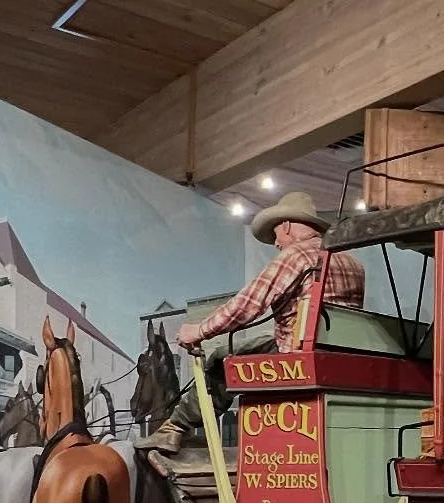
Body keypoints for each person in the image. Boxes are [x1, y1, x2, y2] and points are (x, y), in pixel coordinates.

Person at [137, 191, 365, 456]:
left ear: (287, 225)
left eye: (276, 235)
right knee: (261, 341)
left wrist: (199, 330)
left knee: (222, 359)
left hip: (296, 354)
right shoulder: (351, 261)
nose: (277, 244)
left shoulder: (297, 256)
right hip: (338, 354)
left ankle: (175, 429)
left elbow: (247, 305)